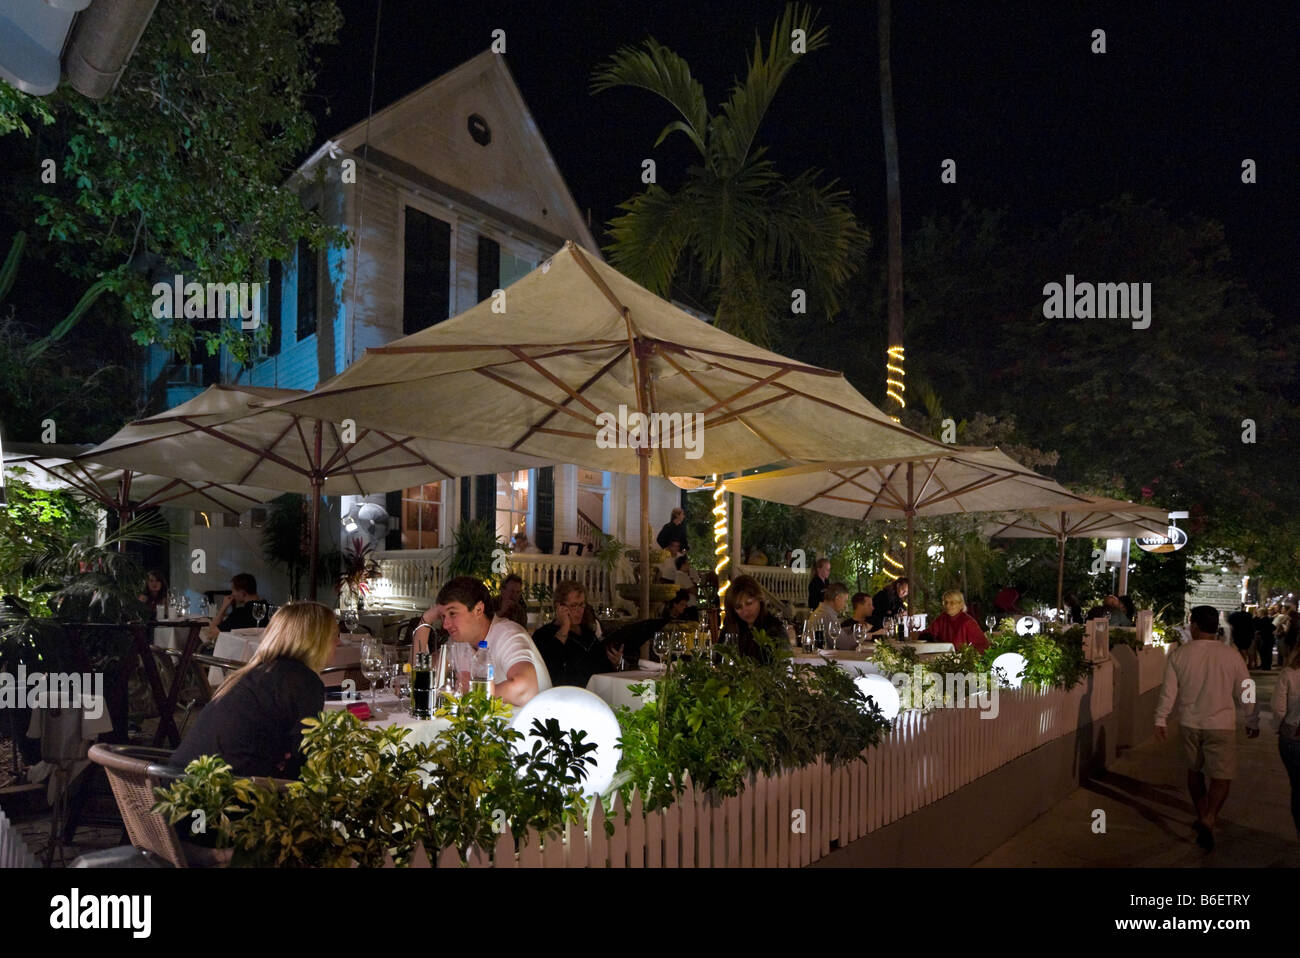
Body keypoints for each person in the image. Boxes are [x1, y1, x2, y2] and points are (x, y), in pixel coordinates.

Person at [171, 602, 336, 778]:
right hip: (226, 793)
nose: (338, 642)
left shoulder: (252, 673)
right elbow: (304, 757)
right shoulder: (304, 681)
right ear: (317, 640)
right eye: (334, 635)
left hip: (180, 783)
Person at [1153, 605, 1260, 851]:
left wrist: (1160, 718)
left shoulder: (1180, 654)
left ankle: (1202, 813)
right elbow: (1247, 688)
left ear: (1195, 626)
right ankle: (1210, 816)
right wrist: (1251, 718)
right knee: (1222, 775)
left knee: (1194, 771)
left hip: (1191, 723)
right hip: (1222, 725)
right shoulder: (1231, 655)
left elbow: (1168, 691)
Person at [413, 576, 550, 706]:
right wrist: (426, 620)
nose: (445, 624)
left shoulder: (508, 634)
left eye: (452, 613)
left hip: (534, 726)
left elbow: (525, 688)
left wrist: (474, 691)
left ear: (478, 609)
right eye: (442, 616)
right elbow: (420, 676)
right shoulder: (458, 643)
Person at [532, 580, 622, 687]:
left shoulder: (588, 634)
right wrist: (565, 627)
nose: (579, 611)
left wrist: (613, 663)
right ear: (559, 606)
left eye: (581, 605)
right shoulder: (543, 635)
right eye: (574, 605)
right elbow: (550, 668)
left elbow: (600, 669)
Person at [723, 575, 787, 663]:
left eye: (749, 603)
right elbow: (720, 658)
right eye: (738, 607)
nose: (745, 611)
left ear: (759, 599)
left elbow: (783, 667)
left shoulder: (775, 628)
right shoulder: (731, 625)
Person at [1272, 641, 1300, 838]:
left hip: (1293, 735)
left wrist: (1278, 726)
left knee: (1297, 787)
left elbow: (1279, 708)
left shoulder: (1289, 673)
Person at [919, 590, 989, 653]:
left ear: (961, 605)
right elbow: (928, 633)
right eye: (945, 602)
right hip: (942, 656)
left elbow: (982, 645)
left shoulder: (968, 622)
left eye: (952, 602)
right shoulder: (942, 618)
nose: (947, 605)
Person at [202, 574, 264, 640]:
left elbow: (211, 635)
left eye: (233, 591)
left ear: (243, 593)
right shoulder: (270, 611)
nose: (232, 594)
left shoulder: (240, 614)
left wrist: (223, 607)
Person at [806, 583, 849, 649]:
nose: (845, 605)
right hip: (823, 658)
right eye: (845, 601)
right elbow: (845, 645)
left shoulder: (822, 611)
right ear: (837, 599)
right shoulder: (827, 615)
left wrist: (851, 630)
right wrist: (865, 635)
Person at [1253, 605, 1276, 671]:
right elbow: (1273, 627)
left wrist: (1260, 631)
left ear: (1262, 613)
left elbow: (1256, 625)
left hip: (1265, 639)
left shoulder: (1264, 620)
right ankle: (1265, 665)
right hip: (1267, 639)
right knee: (1265, 653)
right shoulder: (1268, 619)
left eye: (1258, 612)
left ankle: (1266, 666)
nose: (1258, 614)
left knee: (1265, 653)